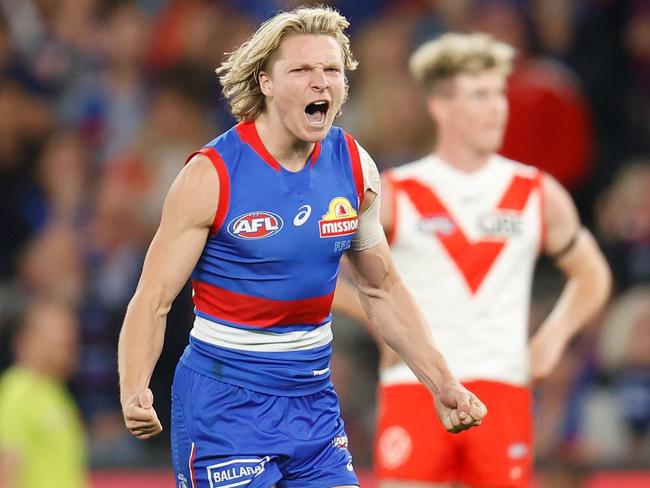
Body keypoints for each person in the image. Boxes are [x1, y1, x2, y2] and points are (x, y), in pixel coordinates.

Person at [117, 7, 487, 488]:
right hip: (224, 408)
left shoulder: (354, 167)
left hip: (312, 406)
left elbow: (381, 288)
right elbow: (153, 299)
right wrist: (133, 388)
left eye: (331, 70)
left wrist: (442, 383)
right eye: (302, 70)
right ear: (266, 82)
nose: (321, 83)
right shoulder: (211, 176)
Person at [333, 33, 612, 488]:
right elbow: (309, 267)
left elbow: (593, 274)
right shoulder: (395, 191)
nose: (498, 107)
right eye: (481, 95)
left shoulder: (535, 192)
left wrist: (552, 338)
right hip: (416, 387)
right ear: (441, 107)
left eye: (499, 94)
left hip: (501, 387)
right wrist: (379, 324)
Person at [0, 298, 87, 488]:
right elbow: (5, 467)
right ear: (25, 340)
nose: (69, 346)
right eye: (58, 338)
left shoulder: (57, 393)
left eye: (71, 338)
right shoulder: (17, 391)